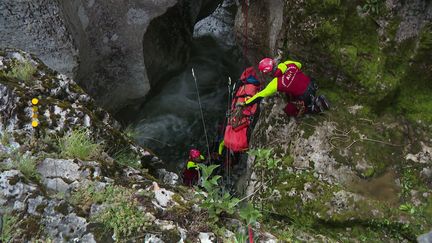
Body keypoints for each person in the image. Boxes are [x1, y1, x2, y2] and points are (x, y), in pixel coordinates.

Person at [241, 58, 330, 116]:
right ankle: (314, 99)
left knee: (288, 110)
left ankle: (312, 108)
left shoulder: (275, 83)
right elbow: (299, 65)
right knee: (291, 89)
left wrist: (245, 104)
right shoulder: (288, 64)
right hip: (312, 85)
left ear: (268, 73)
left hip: (305, 96)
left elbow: (259, 96)